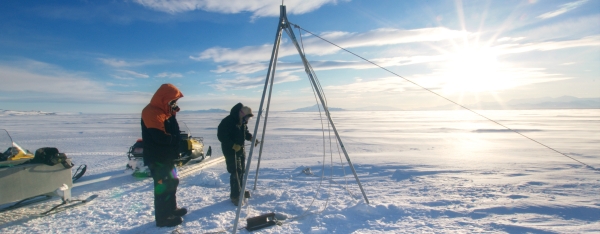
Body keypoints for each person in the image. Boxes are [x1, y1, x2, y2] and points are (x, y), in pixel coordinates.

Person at [141, 83, 187, 227]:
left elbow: (175, 132)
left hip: (168, 157)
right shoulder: (151, 112)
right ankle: (163, 218)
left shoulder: (167, 112)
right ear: (164, 98)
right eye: (173, 101)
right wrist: (176, 141)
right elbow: (160, 137)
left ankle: (171, 209)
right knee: (162, 187)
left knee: (172, 182)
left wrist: (178, 143)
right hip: (157, 158)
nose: (175, 104)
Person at [217, 103, 259, 206]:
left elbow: (244, 132)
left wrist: (251, 138)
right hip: (230, 151)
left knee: (241, 171)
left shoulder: (242, 122)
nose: (248, 120)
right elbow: (221, 136)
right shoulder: (228, 121)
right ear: (241, 114)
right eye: (247, 117)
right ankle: (235, 196)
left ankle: (240, 190)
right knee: (235, 172)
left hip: (240, 149)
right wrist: (232, 145)